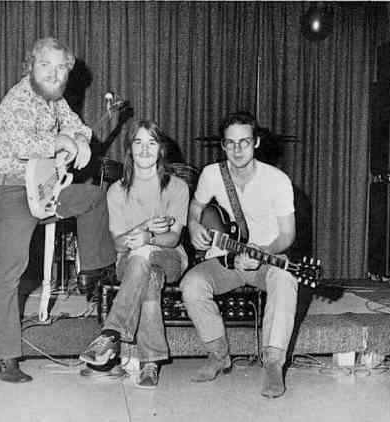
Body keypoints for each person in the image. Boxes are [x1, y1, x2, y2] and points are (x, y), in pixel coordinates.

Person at [0, 38, 116, 383]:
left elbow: (77, 126)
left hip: (42, 189)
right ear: (31, 66)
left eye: (61, 69)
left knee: (92, 197)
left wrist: (81, 139)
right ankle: (1, 357)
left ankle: (94, 271)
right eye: (46, 65)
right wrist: (60, 142)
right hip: (10, 189)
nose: (54, 74)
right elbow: (18, 144)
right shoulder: (17, 100)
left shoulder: (53, 100)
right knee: (8, 274)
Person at [180, 111, 297, 398]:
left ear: (256, 142)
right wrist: (194, 226)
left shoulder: (277, 180)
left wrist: (264, 251)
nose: (237, 150)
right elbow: (196, 208)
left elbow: (287, 234)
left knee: (286, 280)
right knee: (191, 285)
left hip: (265, 259)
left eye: (244, 142)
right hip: (226, 258)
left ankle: (273, 364)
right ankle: (219, 355)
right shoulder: (211, 174)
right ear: (223, 145)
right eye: (230, 143)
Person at [79, 119, 189, 388]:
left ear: (161, 149)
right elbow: (118, 245)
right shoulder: (117, 191)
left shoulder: (177, 187)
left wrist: (149, 237)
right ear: (129, 148)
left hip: (171, 257)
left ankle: (110, 333)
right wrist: (144, 228)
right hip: (129, 262)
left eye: (151, 143)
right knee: (145, 271)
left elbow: (173, 238)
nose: (145, 149)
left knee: (143, 253)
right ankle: (150, 363)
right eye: (138, 142)